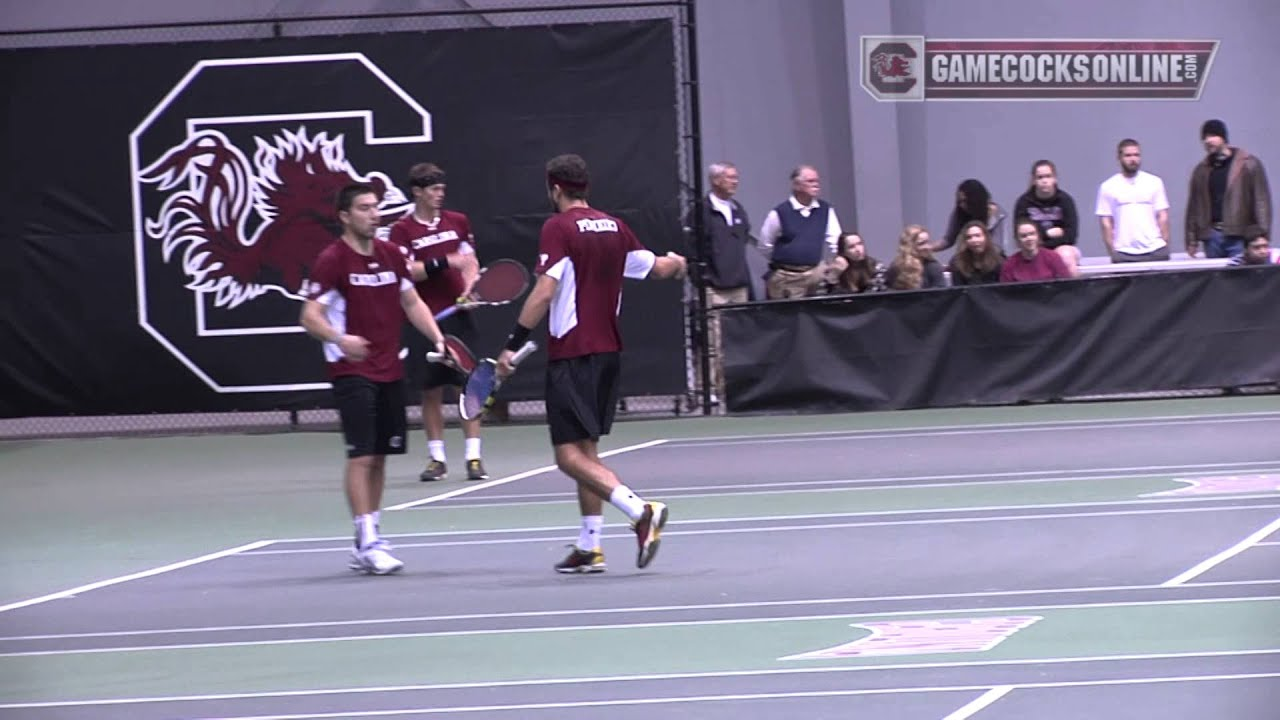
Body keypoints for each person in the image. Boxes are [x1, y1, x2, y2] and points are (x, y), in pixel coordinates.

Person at [496, 154, 687, 574]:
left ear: (555, 189)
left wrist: (512, 346)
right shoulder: (616, 227)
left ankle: (640, 510)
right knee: (587, 451)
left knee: (567, 457)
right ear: (586, 186)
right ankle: (590, 546)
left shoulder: (558, 227)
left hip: (573, 353)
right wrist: (678, 264)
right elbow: (657, 268)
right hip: (607, 354)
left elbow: (544, 292)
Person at [300, 183, 449, 575]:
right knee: (361, 455)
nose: (374, 214)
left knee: (381, 457)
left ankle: (370, 535)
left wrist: (436, 336)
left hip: (389, 368)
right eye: (364, 208)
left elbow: (411, 301)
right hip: (351, 370)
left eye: (376, 207)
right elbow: (309, 315)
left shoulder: (392, 254)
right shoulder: (332, 260)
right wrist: (339, 338)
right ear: (345, 216)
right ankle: (367, 540)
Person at [388, 163, 487, 483]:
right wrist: (443, 262)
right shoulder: (401, 230)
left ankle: (473, 458)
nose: (439, 195)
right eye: (433, 190)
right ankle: (437, 459)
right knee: (430, 390)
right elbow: (407, 272)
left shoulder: (458, 221)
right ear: (417, 191)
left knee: (468, 388)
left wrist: (470, 287)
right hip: (423, 322)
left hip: (459, 318)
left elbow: (470, 261)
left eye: (442, 190)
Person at [686, 161, 753, 405]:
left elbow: (743, 239)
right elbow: (692, 247)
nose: (735, 181)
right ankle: (707, 389)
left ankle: (729, 387)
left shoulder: (737, 210)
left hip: (738, 285)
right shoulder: (701, 211)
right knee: (711, 340)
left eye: (736, 177)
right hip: (713, 286)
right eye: (729, 177)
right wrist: (701, 279)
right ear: (715, 180)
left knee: (733, 340)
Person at [1185, 119, 1272, 260]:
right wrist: (1191, 240)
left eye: (1212, 135)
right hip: (1212, 237)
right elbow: (1194, 206)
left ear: (1223, 138)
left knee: (1243, 279)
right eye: (1204, 138)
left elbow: (1261, 201)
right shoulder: (1201, 170)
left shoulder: (1248, 164)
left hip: (1242, 234)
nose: (1207, 140)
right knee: (1216, 279)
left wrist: (1263, 234)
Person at [756, 165, 844, 299]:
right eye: (810, 181)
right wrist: (786, 261)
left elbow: (836, 240)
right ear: (796, 185)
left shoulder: (825, 210)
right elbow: (765, 245)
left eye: (817, 181)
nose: (816, 185)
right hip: (788, 278)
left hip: (815, 275)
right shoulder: (780, 213)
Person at [1096, 138, 1172, 263]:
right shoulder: (1108, 186)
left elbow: (1163, 216)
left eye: (1136, 155)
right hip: (1124, 252)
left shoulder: (1154, 182)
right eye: (1128, 155)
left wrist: (1164, 243)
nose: (1133, 159)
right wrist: (1113, 251)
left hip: (1155, 249)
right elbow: (1106, 223)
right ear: (1119, 158)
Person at [1014, 159, 1081, 276]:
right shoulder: (1024, 202)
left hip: (1061, 247)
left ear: (1055, 178)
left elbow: (1071, 235)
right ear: (1034, 180)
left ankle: (1071, 292)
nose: (1044, 181)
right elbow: (1020, 234)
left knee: (1065, 256)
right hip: (1033, 249)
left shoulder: (1065, 200)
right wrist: (1048, 233)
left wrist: (1040, 236)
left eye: (1048, 176)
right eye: (1040, 177)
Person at [936, 179, 1008, 255]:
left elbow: (997, 247)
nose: (962, 205)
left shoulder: (996, 214)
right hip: (967, 259)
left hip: (992, 259)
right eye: (959, 201)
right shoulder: (959, 213)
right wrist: (928, 248)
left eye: (965, 201)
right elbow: (948, 240)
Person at [1000, 217, 1073, 283]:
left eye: (1032, 234)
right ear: (1017, 240)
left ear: (1038, 236)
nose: (1029, 238)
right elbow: (1005, 293)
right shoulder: (1009, 264)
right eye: (1023, 236)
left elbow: (1066, 286)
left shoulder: (1053, 258)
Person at [885, 224, 946, 290]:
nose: (927, 247)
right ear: (909, 246)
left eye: (928, 242)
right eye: (921, 243)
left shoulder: (933, 266)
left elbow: (940, 296)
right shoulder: (896, 267)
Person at [946, 220, 1004, 285]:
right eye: (969, 237)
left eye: (977, 235)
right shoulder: (957, 263)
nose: (974, 240)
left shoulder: (999, 260)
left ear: (986, 238)